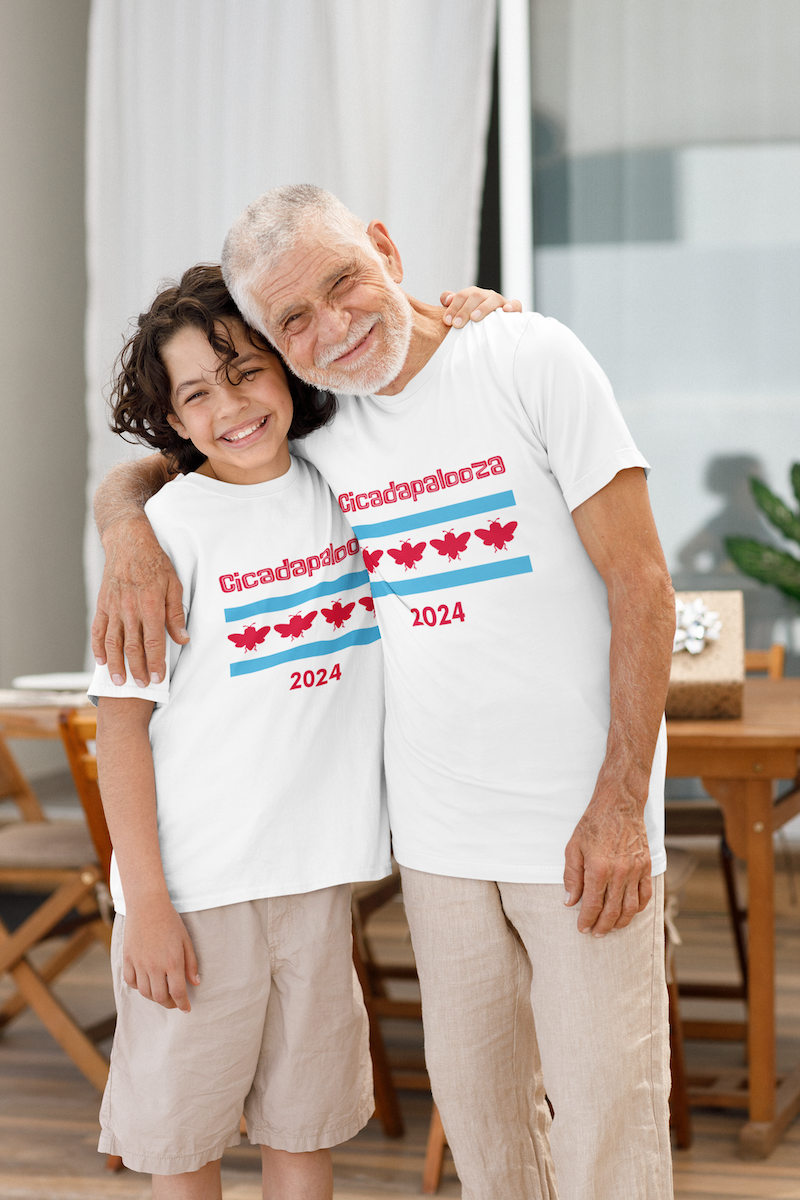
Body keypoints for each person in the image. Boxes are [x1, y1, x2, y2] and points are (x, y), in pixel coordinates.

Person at [93, 186, 677, 1200]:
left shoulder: (520, 360)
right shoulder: (323, 434)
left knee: (603, 1118)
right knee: (484, 1121)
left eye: (342, 283)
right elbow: (189, 452)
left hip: (573, 830)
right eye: (295, 320)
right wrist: (120, 522)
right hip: (432, 841)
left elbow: (641, 584)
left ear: (385, 247)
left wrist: (621, 803)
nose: (333, 326)